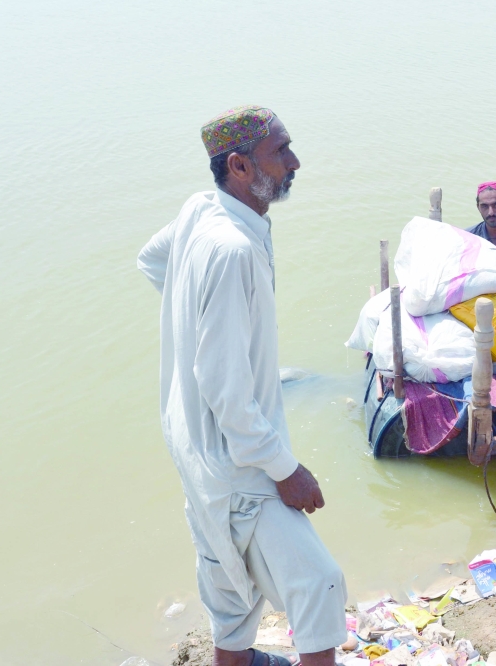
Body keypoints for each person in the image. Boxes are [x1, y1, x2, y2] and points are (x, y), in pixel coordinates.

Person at [137, 106, 346, 666]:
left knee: (230, 596)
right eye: (280, 152)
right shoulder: (231, 249)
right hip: (239, 461)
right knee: (320, 584)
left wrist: (196, 320)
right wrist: (286, 470)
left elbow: (152, 260)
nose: (294, 162)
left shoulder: (200, 209)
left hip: (194, 450)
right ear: (237, 165)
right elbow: (227, 392)